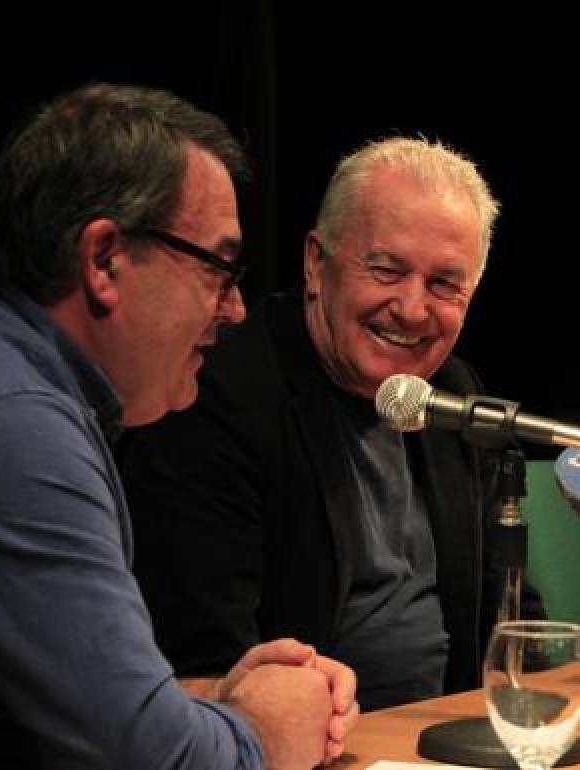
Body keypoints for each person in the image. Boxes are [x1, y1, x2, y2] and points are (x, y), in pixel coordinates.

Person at [0, 83, 356, 770]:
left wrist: (218, 697)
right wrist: (269, 727)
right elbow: (153, 762)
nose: (237, 308)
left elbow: (81, 714)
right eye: (219, 268)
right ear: (104, 259)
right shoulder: (5, 425)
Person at [117, 136, 531, 712]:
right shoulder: (213, 396)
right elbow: (204, 665)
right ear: (316, 263)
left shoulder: (455, 396)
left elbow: (511, 617)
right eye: (386, 270)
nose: (412, 309)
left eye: (443, 285)